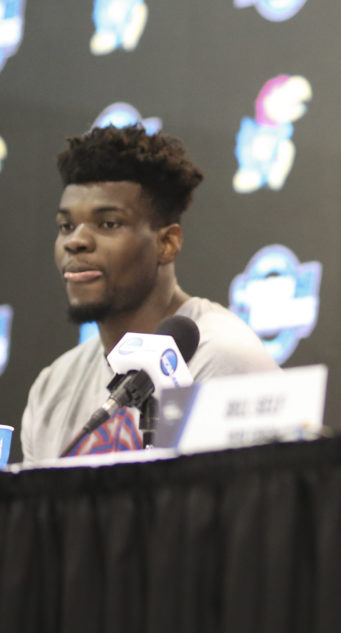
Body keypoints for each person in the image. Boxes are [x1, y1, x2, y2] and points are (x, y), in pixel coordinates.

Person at [22, 125, 279, 462]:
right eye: (66, 226)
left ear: (167, 243)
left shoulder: (223, 359)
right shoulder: (52, 386)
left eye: (108, 223)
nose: (75, 241)